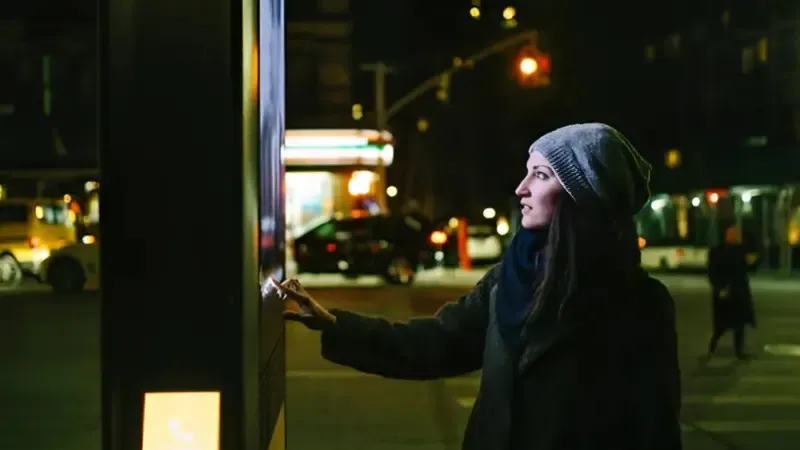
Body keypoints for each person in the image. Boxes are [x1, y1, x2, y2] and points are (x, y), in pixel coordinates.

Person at [276, 123, 682, 450]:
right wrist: (334, 325)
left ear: (583, 195)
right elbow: (438, 342)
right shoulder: (509, 279)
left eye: (540, 175)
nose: (521, 188)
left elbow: (656, 432)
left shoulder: (641, 305)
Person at [707, 226, 756, 360]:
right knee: (722, 325)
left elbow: (746, 268)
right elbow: (712, 271)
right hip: (725, 292)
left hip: (738, 292)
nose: (735, 237)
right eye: (733, 234)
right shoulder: (718, 251)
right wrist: (719, 287)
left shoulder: (740, 250)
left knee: (740, 324)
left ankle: (738, 350)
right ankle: (713, 344)